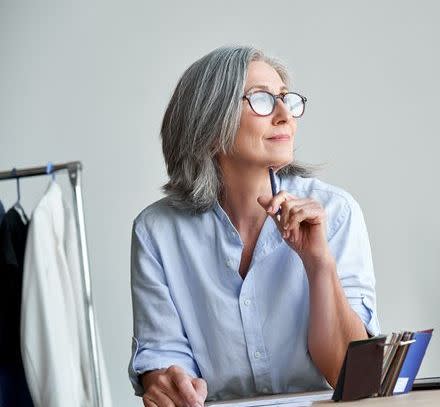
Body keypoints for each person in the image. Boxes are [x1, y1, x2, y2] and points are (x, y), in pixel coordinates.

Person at [128, 45, 381, 406]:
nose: (284, 115)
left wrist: (318, 262)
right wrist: (168, 382)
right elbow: (163, 358)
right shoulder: (157, 232)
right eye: (262, 100)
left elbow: (351, 374)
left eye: (285, 98)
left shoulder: (335, 213)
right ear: (211, 125)